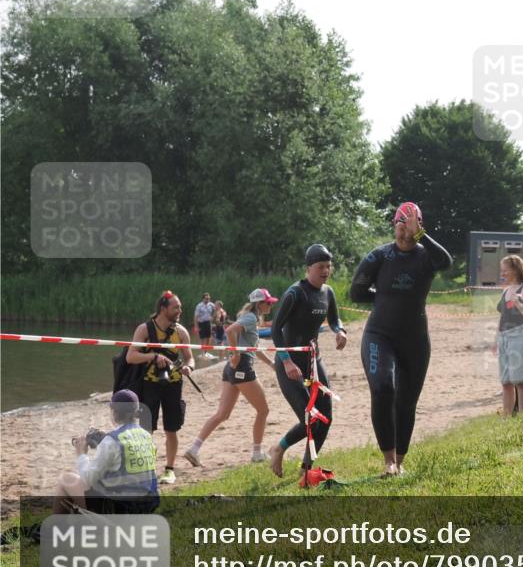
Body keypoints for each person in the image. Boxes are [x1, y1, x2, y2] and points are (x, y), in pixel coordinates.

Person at [350, 202, 452, 477]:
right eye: (399, 222)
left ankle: (400, 461)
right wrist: (385, 300)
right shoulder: (379, 256)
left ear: (418, 226)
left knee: (407, 401)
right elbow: (355, 293)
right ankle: (388, 461)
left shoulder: (426, 256)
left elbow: (447, 262)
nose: (403, 228)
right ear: (393, 225)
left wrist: (420, 236)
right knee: (383, 388)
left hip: (415, 339)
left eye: (409, 223)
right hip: (379, 335)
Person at [268, 244, 348, 487]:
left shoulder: (328, 292)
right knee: (309, 418)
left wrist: (340, 330)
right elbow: (275, 329)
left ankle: (306, 469)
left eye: (328, 267)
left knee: (325, 418)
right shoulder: (295, 293)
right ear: (308, 268)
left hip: (314, 362)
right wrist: (288, 361)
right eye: (320, 267)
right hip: (289, 363)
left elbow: (334, 319)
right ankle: (278, 449)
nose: (325, 271)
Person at [185, 288, 279, 468]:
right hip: (241, 367)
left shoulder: (251, 318)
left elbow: (254, 347)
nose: (271, 305)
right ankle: (257, 453)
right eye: (269, 302)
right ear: (259, 303)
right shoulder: (251, 318)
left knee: (222, 414)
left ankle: (194, 449)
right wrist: (235, 354)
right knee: (263, 410)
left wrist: (271, 364)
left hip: (231, 369)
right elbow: (229, 330)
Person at [126, 291, 195, 485]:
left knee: (171, 429)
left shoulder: (181, 332)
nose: (180, 310)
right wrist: (153, 357)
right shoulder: (144, 329)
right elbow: (130, 357)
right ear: (163, 308)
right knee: (146, 430)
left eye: (180, 307)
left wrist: (189, 367)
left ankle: (169, 469)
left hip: (173, 385)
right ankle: (146, 469)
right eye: (176, 307)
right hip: (149, 385)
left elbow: (189, 357)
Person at [54, 390, 159, 514]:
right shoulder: (146, 435)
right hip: (147, 505)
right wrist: (106, 441)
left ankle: (53, 528)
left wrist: (81, 454)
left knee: (66, 480)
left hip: (120, 510)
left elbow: (88, 479)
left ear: (113, 411)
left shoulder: (112, 441)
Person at [494, 255, 523, 416]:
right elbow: (502, 316)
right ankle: (506, 419)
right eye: (502, 270)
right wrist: (495, 340)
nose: (502, 273)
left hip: (520, 337)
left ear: (515, 269)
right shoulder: (506, 290)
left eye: (505, 270)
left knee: (521, 382)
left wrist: (520, 305)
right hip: (504, 339)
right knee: (506, 383)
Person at [194, 293, 216, 359]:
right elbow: (195, 317)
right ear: (203, 299)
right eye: (206, 298)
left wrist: (213, 317)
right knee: (202, 338)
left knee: (208, 338)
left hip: (208, 323)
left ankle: (206, 352)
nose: (208, 299)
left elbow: (216, 310)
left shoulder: (211, 305)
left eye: (209, 298)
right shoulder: (199, 306)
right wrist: (196, 326)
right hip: (201, 323)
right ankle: (202, 353)